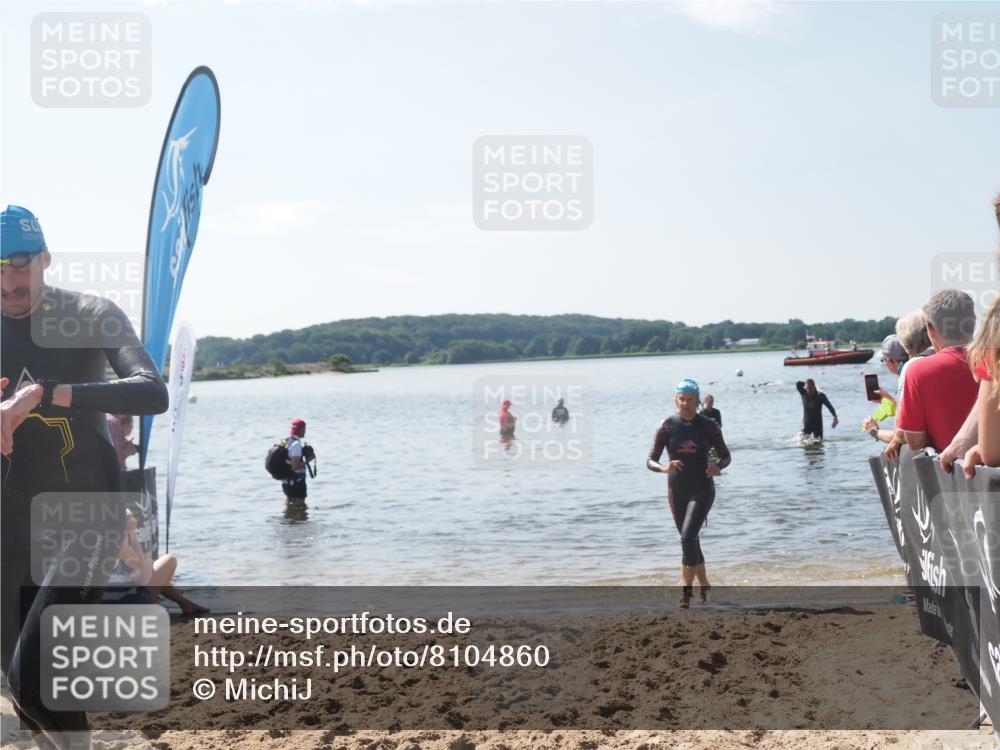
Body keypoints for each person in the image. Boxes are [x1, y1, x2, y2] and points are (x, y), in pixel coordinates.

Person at [1, 205, 169, 747]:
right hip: (10, 522)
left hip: (87, 514)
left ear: (45, 259)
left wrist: (52, 395)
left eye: (20, 264)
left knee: (32, 679)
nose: (8, 280)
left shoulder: (91, 313)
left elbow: (152, 391)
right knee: (29, 685)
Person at [647, 379, 732, 609]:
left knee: (687, 538)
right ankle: (704, 584)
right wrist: (664, 467)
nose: (685, 403)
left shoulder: (708, 425)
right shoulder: (667, 426)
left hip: (702, 488)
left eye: (690, 399)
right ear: (676, 400)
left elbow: (726, 455)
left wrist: (718, 467)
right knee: (690, 540)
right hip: (676, 490)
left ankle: (685, 592)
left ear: (697, 401)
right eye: (681, 399)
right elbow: (650, 460)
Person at [896, 289, 978, 454]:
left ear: (930, 329)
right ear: (973, 322)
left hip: (953, 472)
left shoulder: (917, 371)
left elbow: (915, 441)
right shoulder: (993, 361)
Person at [104, 506, 208, 614]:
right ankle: (185, 604)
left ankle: (186, 604)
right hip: (120, 609)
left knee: (149, 568)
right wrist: (132, 534)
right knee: (168, 560)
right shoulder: (115, 539)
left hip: (99, 603)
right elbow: (139, 565)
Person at [861, 335, 907, 444]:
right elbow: (906, 407)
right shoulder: (914, 371)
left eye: (883, 360)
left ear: (890, 361)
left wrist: (874, 430)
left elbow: (899, 437)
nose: (885, 364)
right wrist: (889, 398)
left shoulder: (906, 379)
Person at [281, 418, 315, 503]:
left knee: (288, 504)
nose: (305, 431)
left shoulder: (285, 441)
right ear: (300, 429)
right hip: (297, 482)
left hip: (286, 482)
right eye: (304, 429)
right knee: (300, 506)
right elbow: (295, 466)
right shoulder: (296, 445)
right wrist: (308, 460)